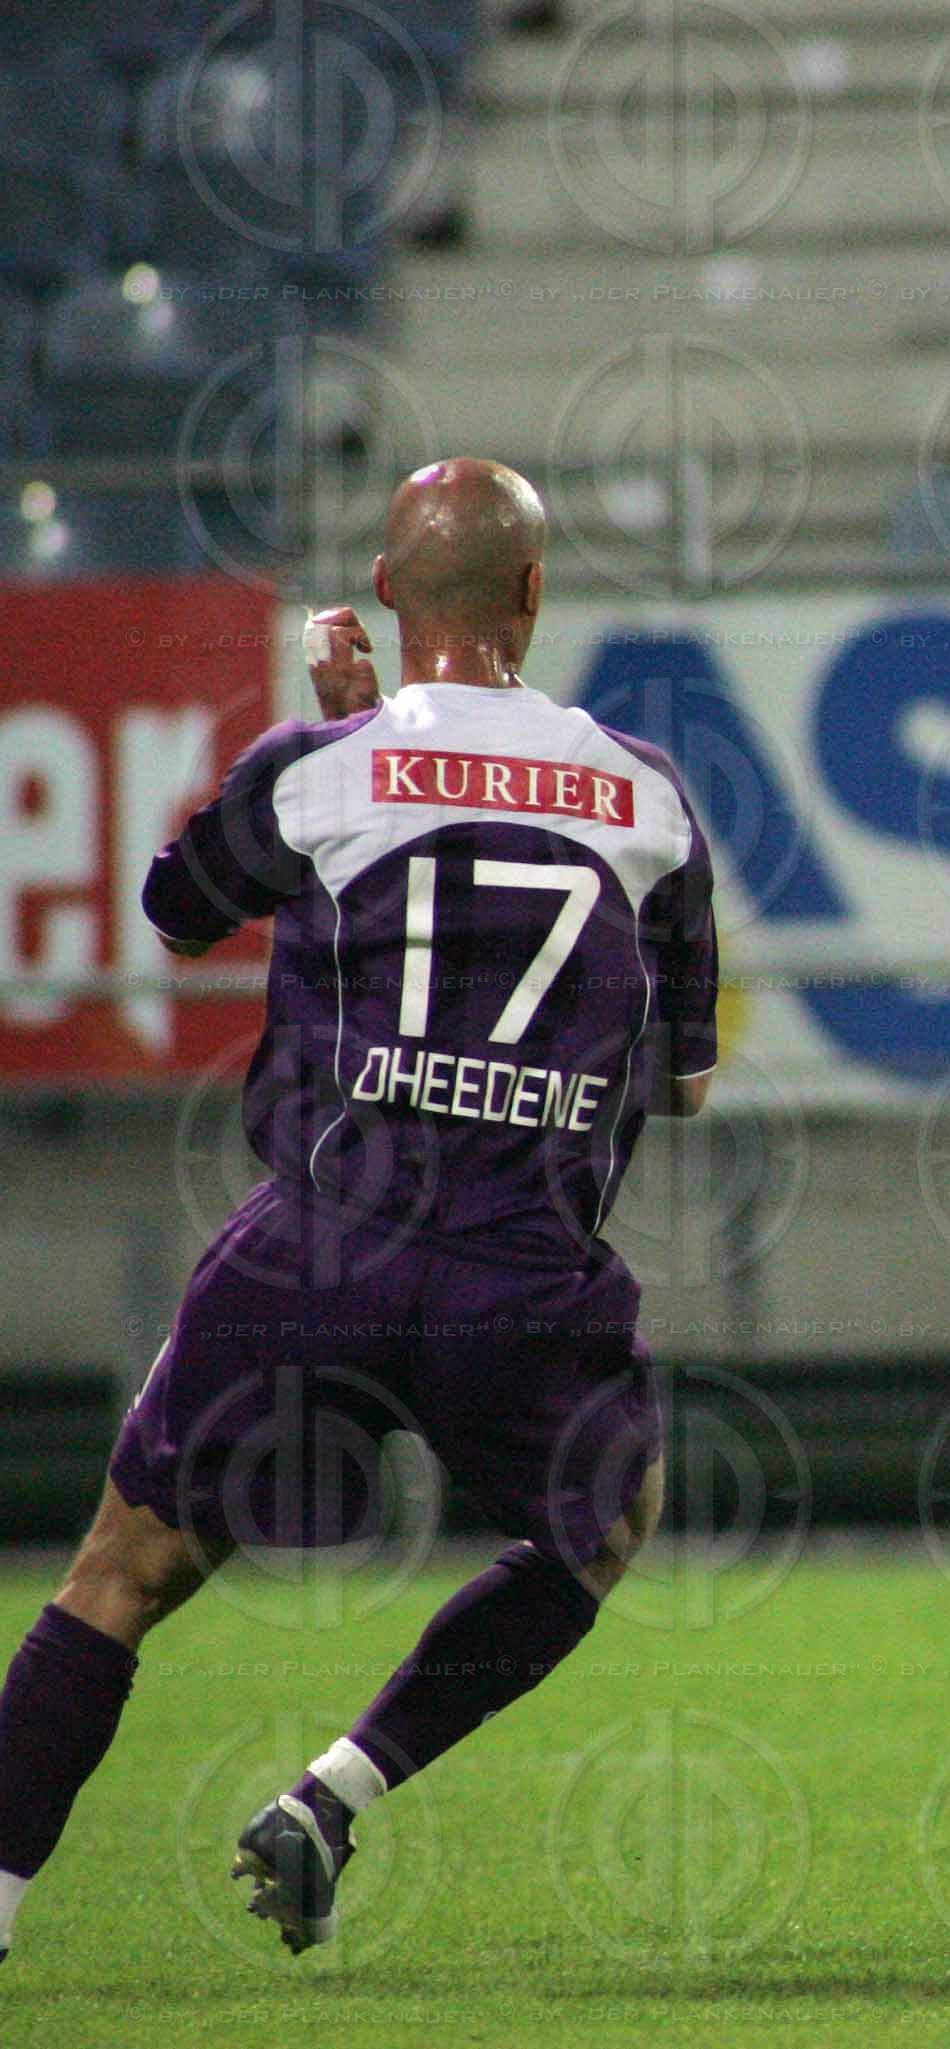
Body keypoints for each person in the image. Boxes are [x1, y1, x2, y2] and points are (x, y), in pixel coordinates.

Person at [0, 459, 719, 1960]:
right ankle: (334, 1795)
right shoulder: (650, 799)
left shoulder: (320, 767)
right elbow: (683, 1082)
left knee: (122, 1571)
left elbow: (177, 906)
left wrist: (336, 726)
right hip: (518, 1275)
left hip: (317, 1245)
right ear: (533, 592)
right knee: (604, 1527)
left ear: (389, 595)